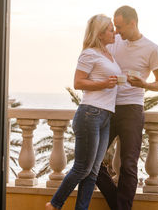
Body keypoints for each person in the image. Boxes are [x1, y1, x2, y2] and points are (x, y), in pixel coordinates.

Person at [46, 14, 121, 210]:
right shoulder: (89, 53)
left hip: (105, 116)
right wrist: (104, 83)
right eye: (111, 29)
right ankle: (54, 205)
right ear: (100, 33)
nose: (115, 32)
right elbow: (78, 82)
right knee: (82, 167)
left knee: (94, 171)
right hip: (90, 114)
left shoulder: (108, 53)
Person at [96, 5, 158, 210]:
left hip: (132, 110)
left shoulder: (152, 49)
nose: (116, 32)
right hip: (107, 108)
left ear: (132, 23)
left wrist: (144, 85)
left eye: (119, 27)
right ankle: (120, 207)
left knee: (128, 165)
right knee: (92, 161)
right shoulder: (113, 42)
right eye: (114, 27)